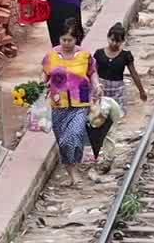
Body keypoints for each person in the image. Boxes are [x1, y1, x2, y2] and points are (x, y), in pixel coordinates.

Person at [42, 18, 100, 186]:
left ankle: (75, 171)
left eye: (70, 40)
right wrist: (40, 85)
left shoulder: (85, 56)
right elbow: (45, 74)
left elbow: (92, 73)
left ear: (77, 39)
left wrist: (96, 85)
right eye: (63, 39)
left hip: (80, 103)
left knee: (74, 135)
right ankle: (71, 171)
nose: (66, 43)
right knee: (63, 141)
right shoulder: (51, 55)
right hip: (59, 104)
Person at [96, 22, 148, 109]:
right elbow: (93, 72)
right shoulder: (99, 54)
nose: (114, 43)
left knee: (116, 114)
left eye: (117, 41)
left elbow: (133, 73)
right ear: (108, 37)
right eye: (112, 40)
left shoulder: (126, 56)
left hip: (117, 91)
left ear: (123, 41)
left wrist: (141, 91)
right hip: (101, 89)